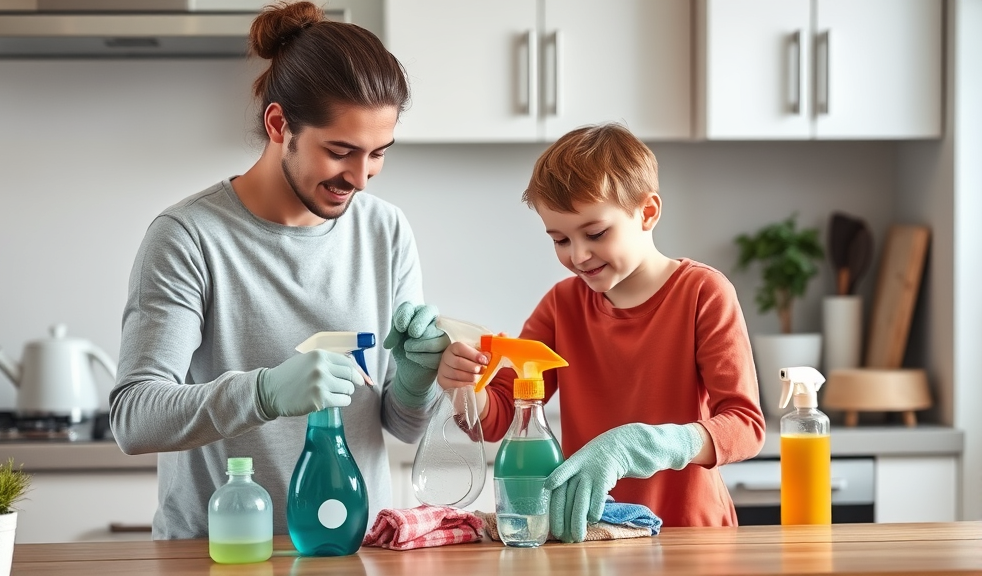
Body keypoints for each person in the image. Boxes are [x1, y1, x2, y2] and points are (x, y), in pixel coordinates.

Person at [110, 1, 445, 540]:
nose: (361, 178)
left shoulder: (385, 231)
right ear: (278, 124)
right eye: (341, 151)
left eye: (379, 153)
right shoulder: (189, 236)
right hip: (219, 552)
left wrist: (415, 380)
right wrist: (264, 393)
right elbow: (134, 417)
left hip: (353, 550)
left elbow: (404, 426)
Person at [437, 123, 765, 542]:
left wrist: (642, 445)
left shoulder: (703, 293)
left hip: (691, 536)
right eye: (559, 239)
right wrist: (465, 384)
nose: (578, 255)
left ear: (647, 212)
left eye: (595, 234)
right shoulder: (561, 305)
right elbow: (501, 416)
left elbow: (745, 427)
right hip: (595, 534)